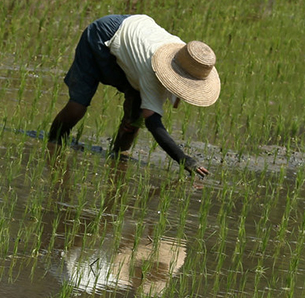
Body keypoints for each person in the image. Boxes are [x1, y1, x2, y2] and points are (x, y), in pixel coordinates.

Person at [47, 14, 220, 178]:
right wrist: (184, 159)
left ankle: (119, 156)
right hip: (102, 35)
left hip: (133, 32)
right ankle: (53, 141)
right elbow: (152, 121)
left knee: (135, 115)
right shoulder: (152, 71)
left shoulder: (189, 56)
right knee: (78, 105)